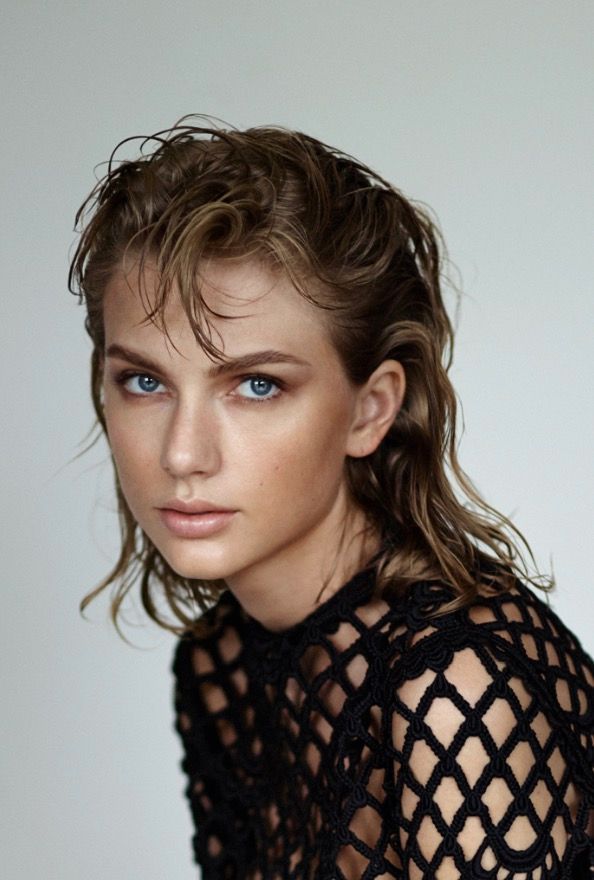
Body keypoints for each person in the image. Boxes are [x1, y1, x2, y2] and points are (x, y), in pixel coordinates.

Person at [69, 117, 594, 879]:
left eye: (256, 385)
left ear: (370, 408)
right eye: (144, 381)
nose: (181, 453)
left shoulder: (456, 686)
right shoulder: (223, 664)